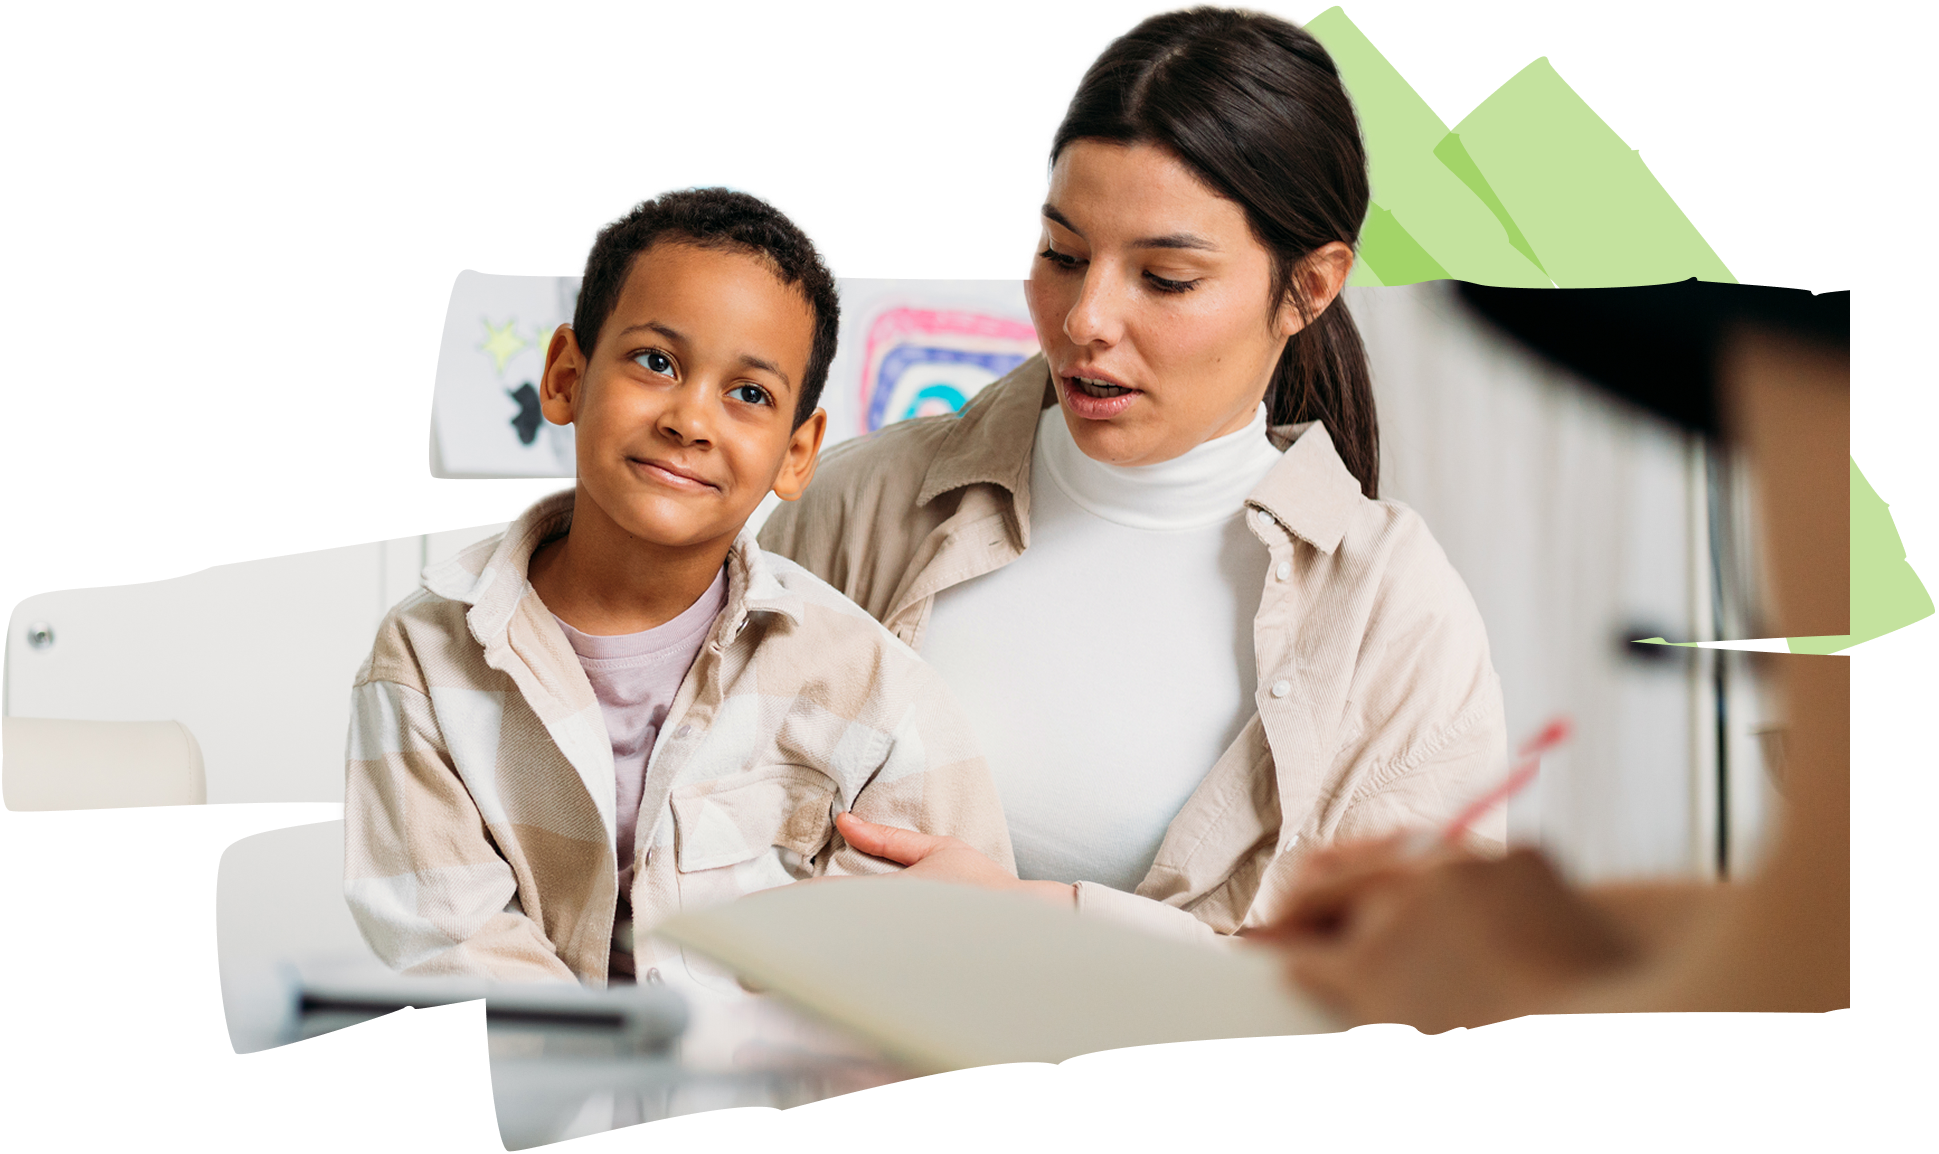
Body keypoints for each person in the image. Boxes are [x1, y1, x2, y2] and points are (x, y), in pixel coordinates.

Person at [757, 3, 1509, 944]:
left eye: (1164, 279)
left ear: (1308, 288)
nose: (1084, 320)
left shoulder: (1391, 617)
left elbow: (1424, 986)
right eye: (1061, 255)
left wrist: (1044, 926)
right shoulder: (855, 504)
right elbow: (705, 849)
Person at [341, 184, 1014, 991]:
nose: (691, 420)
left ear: (797, 453)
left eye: (749, 394)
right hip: (546, 1101)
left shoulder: (876, 696)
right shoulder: (421, 661)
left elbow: (927, 962)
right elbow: (453, 953)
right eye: (655, 362)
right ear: (565, 377)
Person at [1266, 281, 1852, 1026]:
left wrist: (1522, 998)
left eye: (1170, 279)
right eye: (1063, 254)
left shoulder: (1396, 586)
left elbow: (1824, 927)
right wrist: (1613, 927)